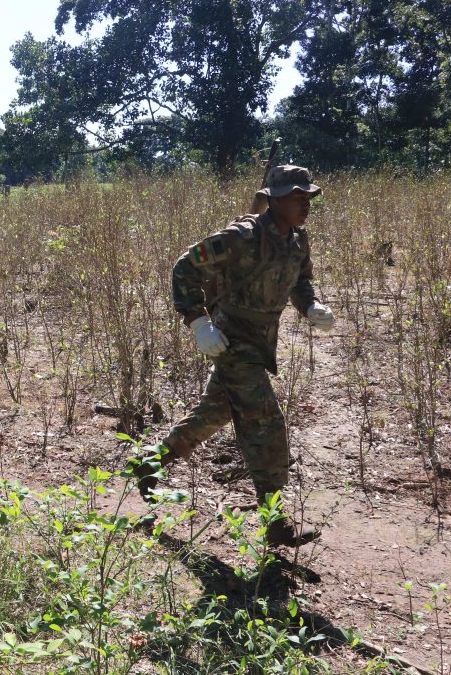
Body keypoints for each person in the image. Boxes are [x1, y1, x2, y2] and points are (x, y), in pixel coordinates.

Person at [135, 164, 336, 547]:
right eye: (297, 197)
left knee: (214, 412)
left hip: (261, 340)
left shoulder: (297, 239)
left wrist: (311, 306)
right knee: (267, 424)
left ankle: (149, 463)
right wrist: (198, 322)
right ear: (275, 200)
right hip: (231, 339)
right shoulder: (241, 237)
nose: (305, 204)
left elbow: (301, 281)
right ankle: (276, 524)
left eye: (307, 197)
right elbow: (184, 268)